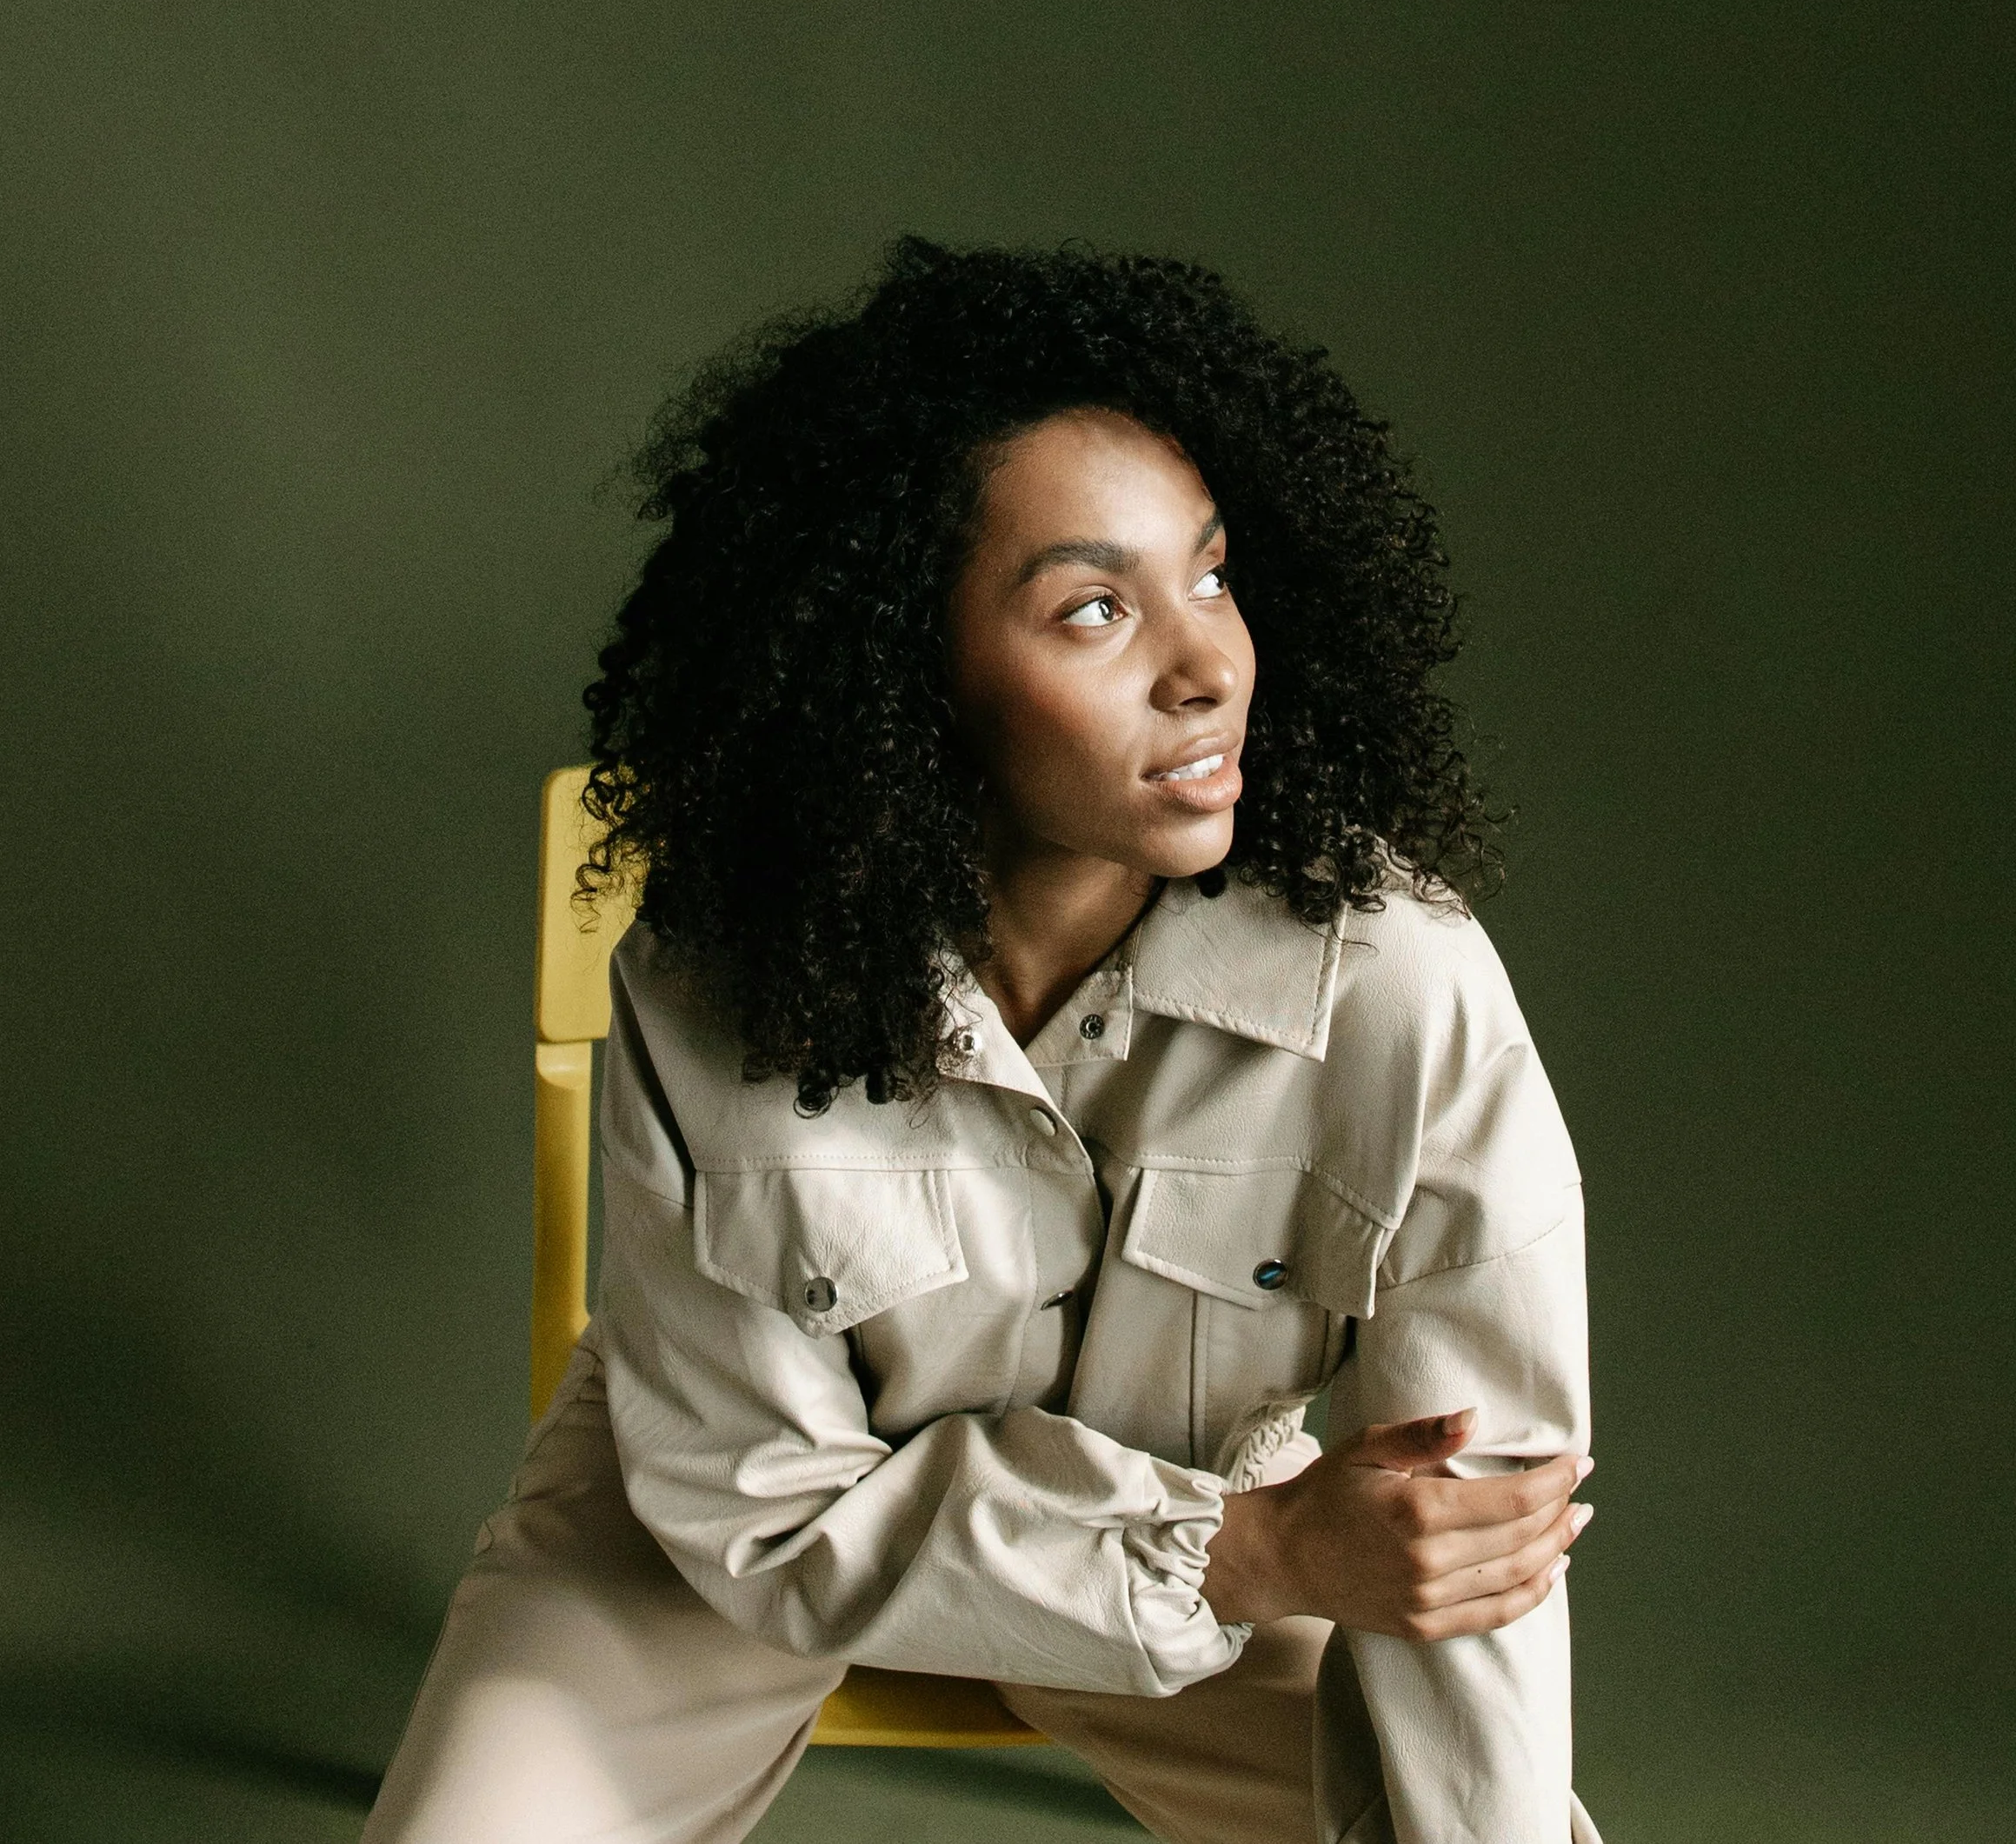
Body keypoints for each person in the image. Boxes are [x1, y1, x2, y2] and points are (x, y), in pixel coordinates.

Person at [366, 239, 1600, 1844]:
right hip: (735, 1532)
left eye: (1214, 574)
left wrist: (1273, 1557)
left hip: (1209, 1535)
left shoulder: (1402, 988)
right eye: (1095, 605)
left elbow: (1466, 1538)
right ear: (905, 673)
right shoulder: (712, 972)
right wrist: (1263, 1557)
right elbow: (754, 1498)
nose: (1210, 663)